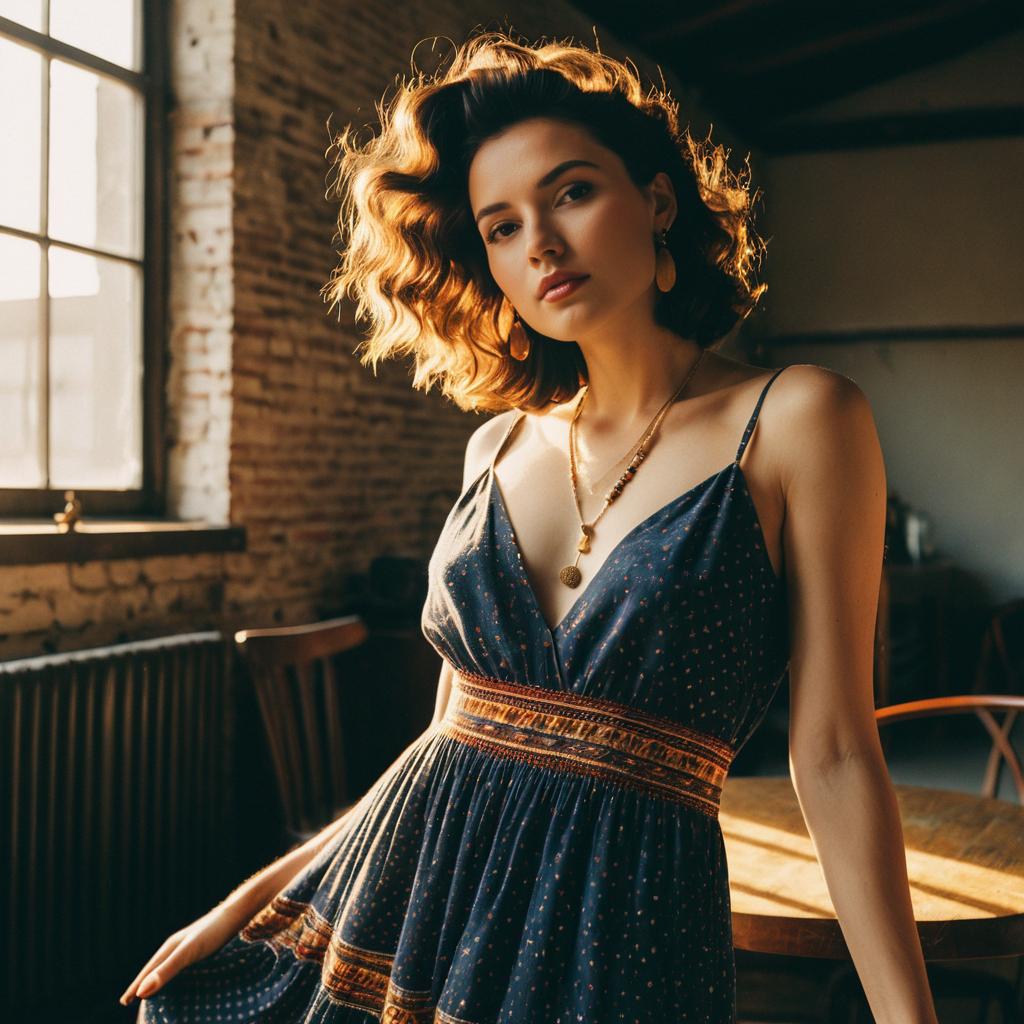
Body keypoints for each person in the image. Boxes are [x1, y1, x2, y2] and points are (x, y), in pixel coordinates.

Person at [121, 27, 939, 1024]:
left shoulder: (800, 419)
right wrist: (246, 900)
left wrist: (909, 1017)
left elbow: (837, 754)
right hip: (415, 903)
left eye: (571, 193)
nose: (540, 245)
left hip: (623, 925)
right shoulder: (494, 448)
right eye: (501, 225)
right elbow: (443, 743)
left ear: (657, 200)